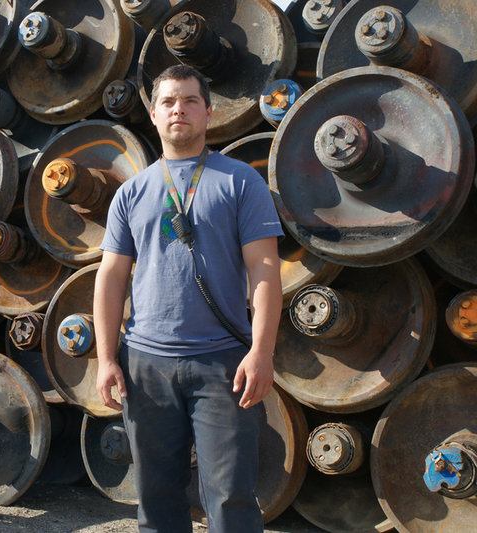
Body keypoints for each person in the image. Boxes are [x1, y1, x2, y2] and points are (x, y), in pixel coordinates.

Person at [94, 64, 283, 533]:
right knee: (156, 499)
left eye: (190, 101)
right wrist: (104, 358)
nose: (180, 109)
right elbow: (111, 276)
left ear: (209, 113)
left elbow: (264, 269)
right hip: (146, 364)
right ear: (153, 115)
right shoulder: (131, 193)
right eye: (169, 102)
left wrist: (261, 352)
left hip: (222, 365)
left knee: (231, 498)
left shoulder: (241, 182)